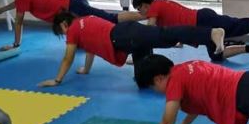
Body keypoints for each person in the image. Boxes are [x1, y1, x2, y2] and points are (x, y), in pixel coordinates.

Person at [37, 13, 225, 88]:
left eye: (61, 32)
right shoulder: (84, 21)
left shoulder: (73, 30)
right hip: (126, 35)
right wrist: (86, 69)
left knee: (165, 35)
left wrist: (57, 80)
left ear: (64, 24)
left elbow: (67, 58)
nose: (64, 35)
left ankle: (210, 33)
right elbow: (90, 49)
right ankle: (168, 77)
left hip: (125, 37)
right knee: (142, 78)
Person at [0, 0, 135, 51]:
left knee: (111, 19)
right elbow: (19, 3)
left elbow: (18, 22)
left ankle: (141, 16)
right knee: (101, 23)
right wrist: (2, 10)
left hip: (73, 8)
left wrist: (16, 45)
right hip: (74, 1)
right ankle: (140, 17)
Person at [130, 0, 249, 62]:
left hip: (201, 20)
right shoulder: (161, 5)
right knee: (216, 55)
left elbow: (149, 30)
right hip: (200, 22)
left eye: (139, 9)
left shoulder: (155, 6)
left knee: (239, 25)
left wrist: (137, 52)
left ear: (145, 5)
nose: (140, 13)